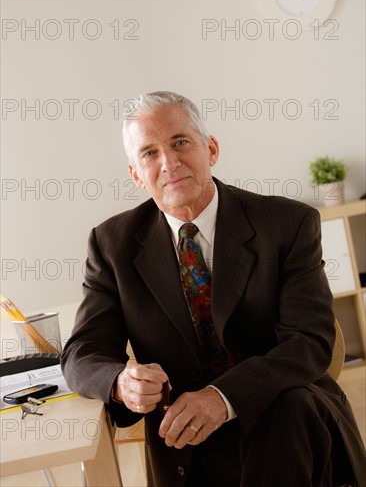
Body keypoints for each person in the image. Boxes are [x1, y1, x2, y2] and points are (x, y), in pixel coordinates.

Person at [61, 91, 366, 487]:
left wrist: (222, 398)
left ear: (211, 149)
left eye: (180, 142)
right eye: (149, 154)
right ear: (136, 173)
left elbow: (309, 341)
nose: (169, 163)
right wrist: (120, 383)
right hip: (188, 446)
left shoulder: (287, 224)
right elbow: (82, 354)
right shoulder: (111, 245)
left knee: (289, 408)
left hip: (292, 423)